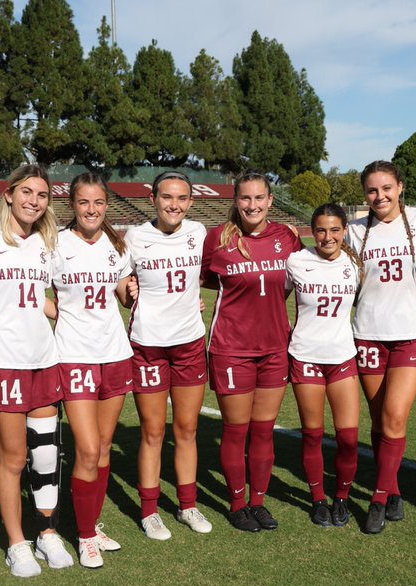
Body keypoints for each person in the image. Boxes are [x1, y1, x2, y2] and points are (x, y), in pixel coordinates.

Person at [0, 164, 71, 577]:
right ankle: (16, 543)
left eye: (42, 195)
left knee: (46, 454)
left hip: (44, 357)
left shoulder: (48, 241)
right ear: (8, 194)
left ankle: (46, 532)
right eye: (26, 192)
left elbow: (41, 296)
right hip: (4, 360)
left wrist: (68, 315)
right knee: (12, 457)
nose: (34, 201)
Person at [346, 160, 416, 534]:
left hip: (412, 332)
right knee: (379, 420)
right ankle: (394, 489)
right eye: (372, 190)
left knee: (394, 417)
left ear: (400, 187)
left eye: (386, 188)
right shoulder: (355, 231)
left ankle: (376, 497)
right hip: (368, 333)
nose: (380, 196)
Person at [202, 171, 303, 532]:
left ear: (270, 201)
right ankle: (236, 503)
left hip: (275, 347)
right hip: (232, 348)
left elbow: (300, 278)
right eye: (245, 198)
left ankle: (258, 503)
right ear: (235, 201)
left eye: (259, 198)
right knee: (235, 429)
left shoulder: (287, 238)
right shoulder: (217, 239)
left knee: (263, 431)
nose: (252, 205)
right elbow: (199, 278)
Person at [124, 171, 212, 541]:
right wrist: (125, 292)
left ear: (190, 202)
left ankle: (187, 505)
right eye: (166, 197)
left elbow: (210, 274)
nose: (173, 205)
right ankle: (149, 511)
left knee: (188, 429)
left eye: (181, 198)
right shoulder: (132, 237)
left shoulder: (199, 233)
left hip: (189, 343)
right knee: (153, 431)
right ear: (153, 198)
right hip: (147, 344)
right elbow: (120, 282)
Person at [49, 173, 132, 568]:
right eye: (84, 202)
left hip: (115, 353)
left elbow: (120, 290)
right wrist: (60, 312)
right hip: (75, 355)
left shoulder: (116, 245)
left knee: (101, 448)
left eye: (98, 203)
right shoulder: (55, 244)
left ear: (106, 205)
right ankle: (84, 538)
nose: (92, 209)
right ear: (72, 205)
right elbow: (35, 294)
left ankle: (92, 523)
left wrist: (129, 293)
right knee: (85, 448)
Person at [284, 204, 362, 527]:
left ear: (344, 231)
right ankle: (318, 499)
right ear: (311, 231)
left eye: (334, 230)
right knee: (313, 435)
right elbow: (274, 301)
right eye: (320, 230)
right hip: (305, 357)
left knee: (348, 438)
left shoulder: (356, 264)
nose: (327, 237)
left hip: (343, 357)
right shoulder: (297, 261)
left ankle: (341, 498)